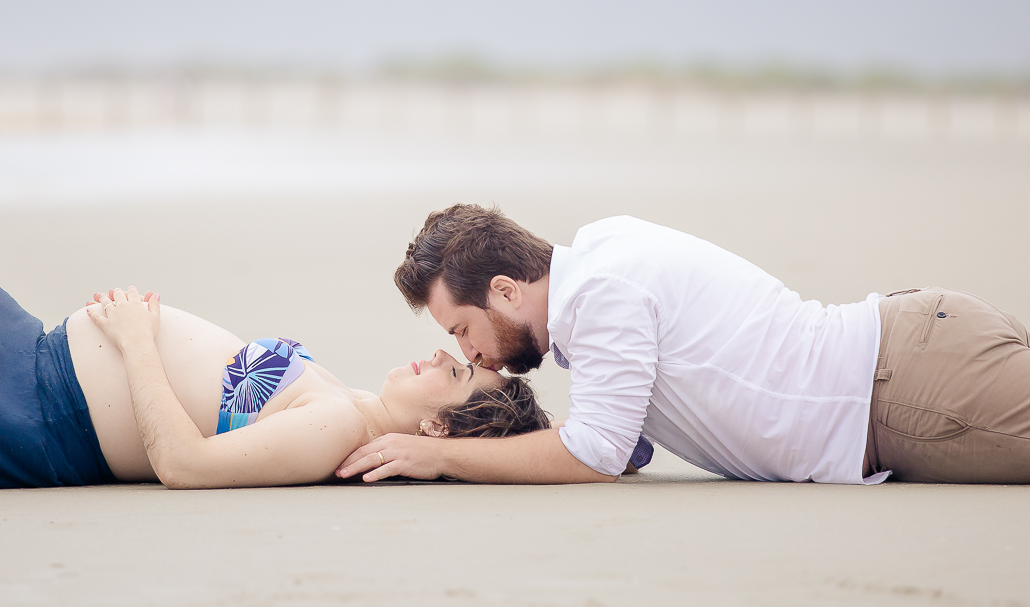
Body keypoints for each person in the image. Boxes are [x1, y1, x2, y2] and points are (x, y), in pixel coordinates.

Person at [0, 195, 549, 494]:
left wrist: (137, 341)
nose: (439, 354)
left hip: (35, 407)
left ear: (438, 428)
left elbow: (185, 465)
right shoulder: (349, 405)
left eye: (457, 373)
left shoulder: (336, 427)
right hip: (29, 359)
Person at [337, 204, 1030, 485]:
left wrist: (438, 454)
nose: (471, 354)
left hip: (901, 389)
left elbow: (599, 453)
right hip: (907, 360)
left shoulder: (599, 295)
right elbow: (629, 446)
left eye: (462, 329)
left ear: (506, 291)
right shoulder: (600, 261)